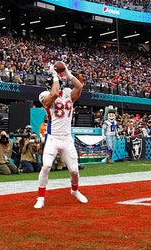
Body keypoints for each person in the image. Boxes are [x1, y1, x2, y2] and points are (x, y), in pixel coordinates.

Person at [34, 62, 87, 209]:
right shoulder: (45, 95)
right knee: (46, 167)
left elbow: (80, 86)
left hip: (66, 138)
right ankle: (40, 198)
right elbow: (55, 93)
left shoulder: (69, 93)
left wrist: (68, 72)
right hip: (53, 137)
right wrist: (55, 75)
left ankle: (74, 191)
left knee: (74, 170)